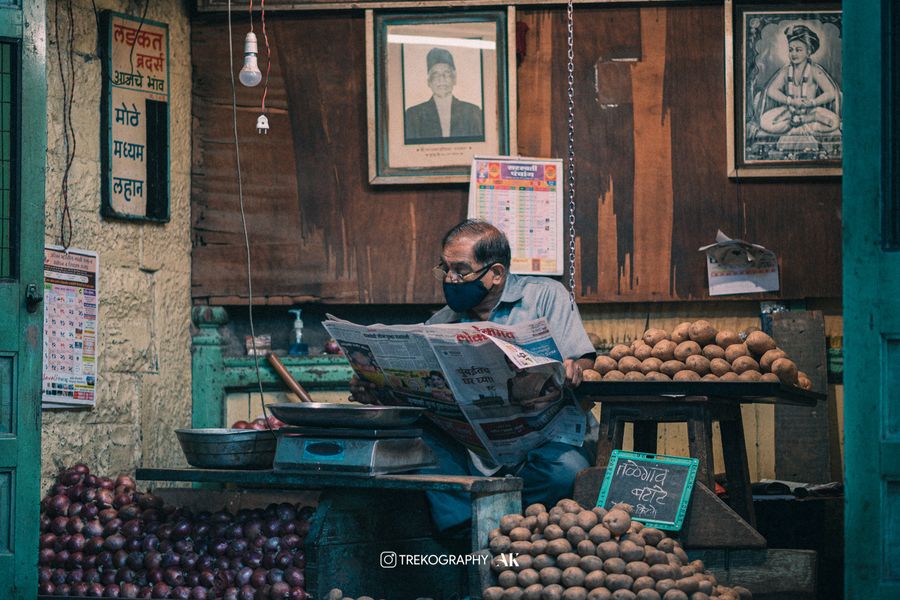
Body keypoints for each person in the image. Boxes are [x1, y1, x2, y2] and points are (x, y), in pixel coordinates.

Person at [351, 219, 597, 532]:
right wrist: (377, 389)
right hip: (476, 448)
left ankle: (508, 528)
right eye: (445, 268)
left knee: (565, 472)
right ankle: (470, 535)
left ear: (495, 273)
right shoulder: (442, 322)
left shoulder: (546, 296)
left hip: (544, 441)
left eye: (461, 270)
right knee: (415, 447)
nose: (451, 279)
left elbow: (585, 364)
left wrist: (573, 370)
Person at [757, 25, 840, 138]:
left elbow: (830, 92)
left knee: (834, 122)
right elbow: (771, 90)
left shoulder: (814, 71)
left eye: (798, 50)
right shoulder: (786, 71)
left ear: (809, 52)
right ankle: (798, 120)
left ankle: (809, 118)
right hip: (789, 110)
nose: (794, 54)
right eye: (791, 50)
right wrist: (790, 101)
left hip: (810, 110)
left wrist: (812, 102)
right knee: (764, 122)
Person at [404, 47, 484, 143]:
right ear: (428, 82)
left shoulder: (472, 112)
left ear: (454, 79)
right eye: (435, 74)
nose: (442, 79)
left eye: (447, 73)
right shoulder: (413, 115)